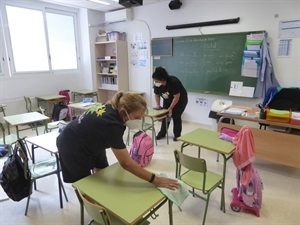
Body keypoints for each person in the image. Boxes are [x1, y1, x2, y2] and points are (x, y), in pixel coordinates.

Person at [56, 92, 179, 190]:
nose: (139, 120)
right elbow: (126, 163)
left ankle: (103, 199)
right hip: (71, 146)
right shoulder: (111, 124)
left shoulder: (113, 106)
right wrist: (155, 180)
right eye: (137, 117)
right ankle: (95, 211)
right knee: (85, 185)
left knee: (103, 173)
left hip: (91, 141)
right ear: (123, 111)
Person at [152, 67, 188, 141]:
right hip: (168, 98)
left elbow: (177, 97)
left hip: (180, 100)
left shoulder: (173, 82)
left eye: (156, 80)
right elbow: (157, 95)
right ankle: (162, 133)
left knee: (176, 115)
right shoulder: (157, 84)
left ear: (162, 79)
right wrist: (158, 105)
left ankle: (177, 135)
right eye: (154, 80)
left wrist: (171, 108)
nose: (155, 82)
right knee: (165, 115)